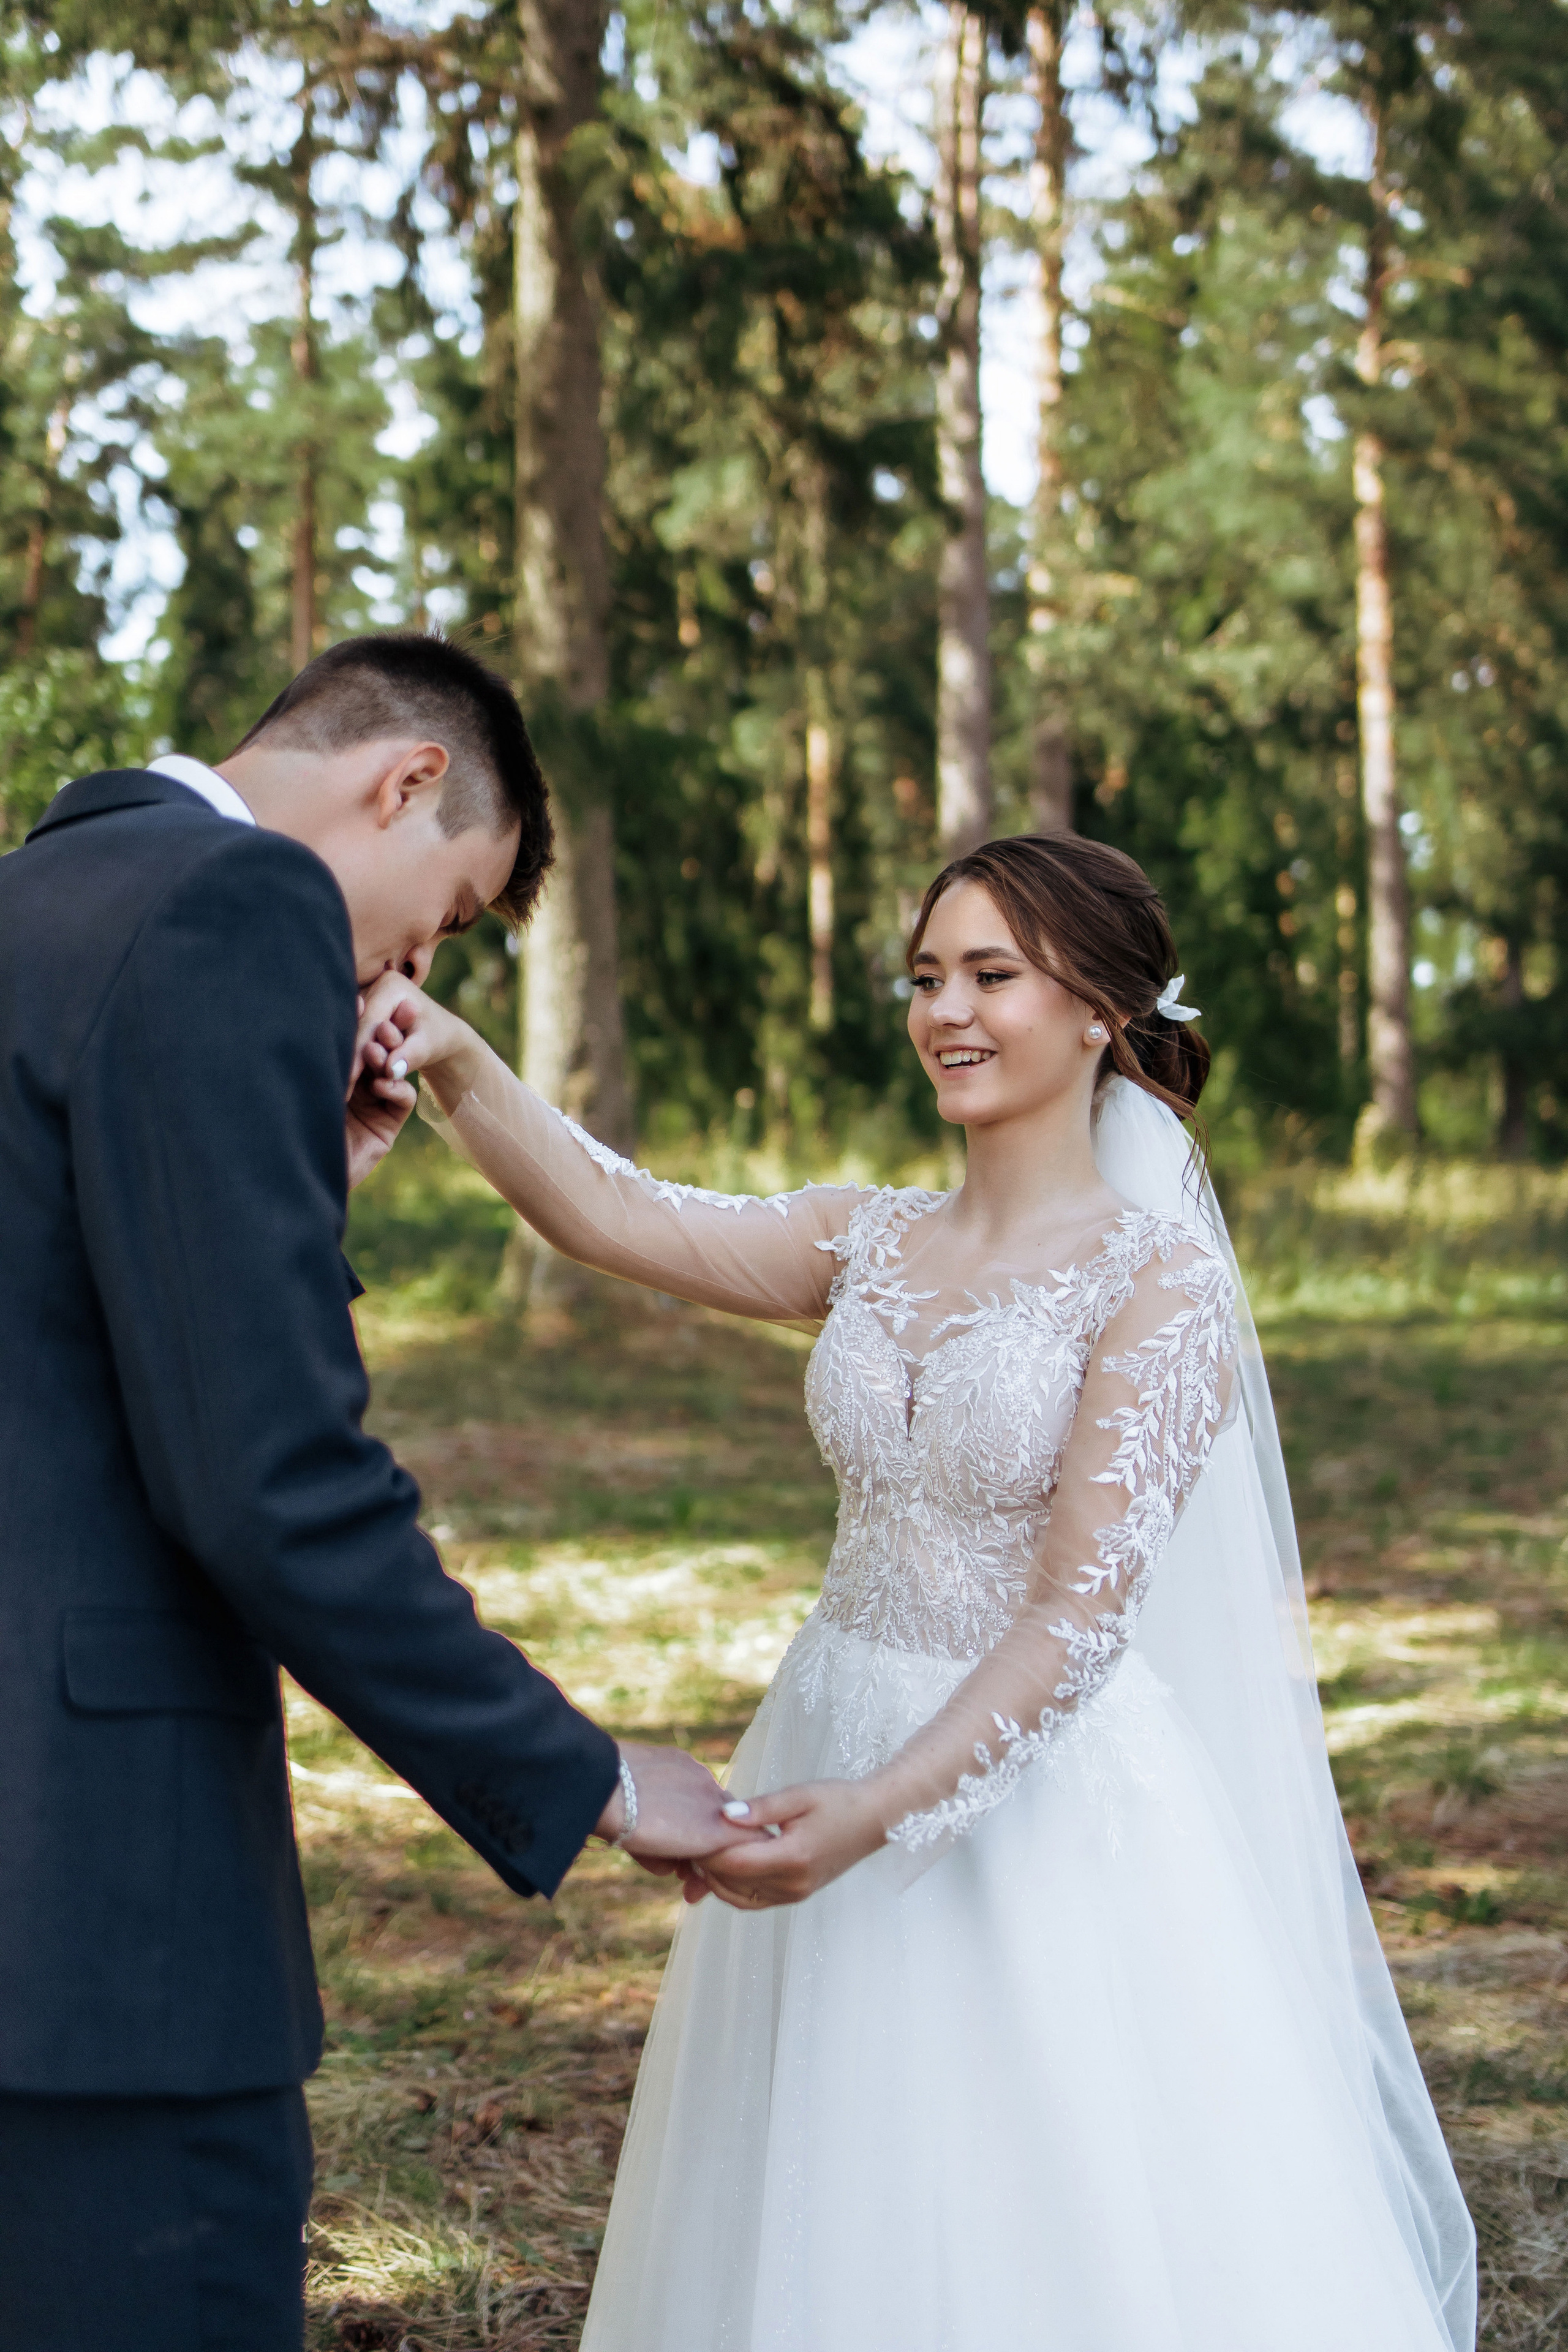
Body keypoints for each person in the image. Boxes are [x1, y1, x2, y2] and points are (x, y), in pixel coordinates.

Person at [359, 830, 1477, 2352]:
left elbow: (1075, 1625)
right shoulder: (863, 1236)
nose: (946, 1010)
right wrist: (452, 1057)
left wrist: (879, 1808)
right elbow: (614, 1212)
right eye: (926, 976)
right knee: (826, 2181)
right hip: (825, 1720)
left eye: (991, 976)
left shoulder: (1156, 1284)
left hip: (1024, 1791)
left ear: (1098, 1009)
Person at [0, 632, 755, 2352]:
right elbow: (264, 1471)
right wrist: (587, 1777)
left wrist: (297, 1175)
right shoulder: (234, 906)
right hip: (97, 1933)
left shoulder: (35, 904)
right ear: (406, 779)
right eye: (448, 911)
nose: (414, 963)